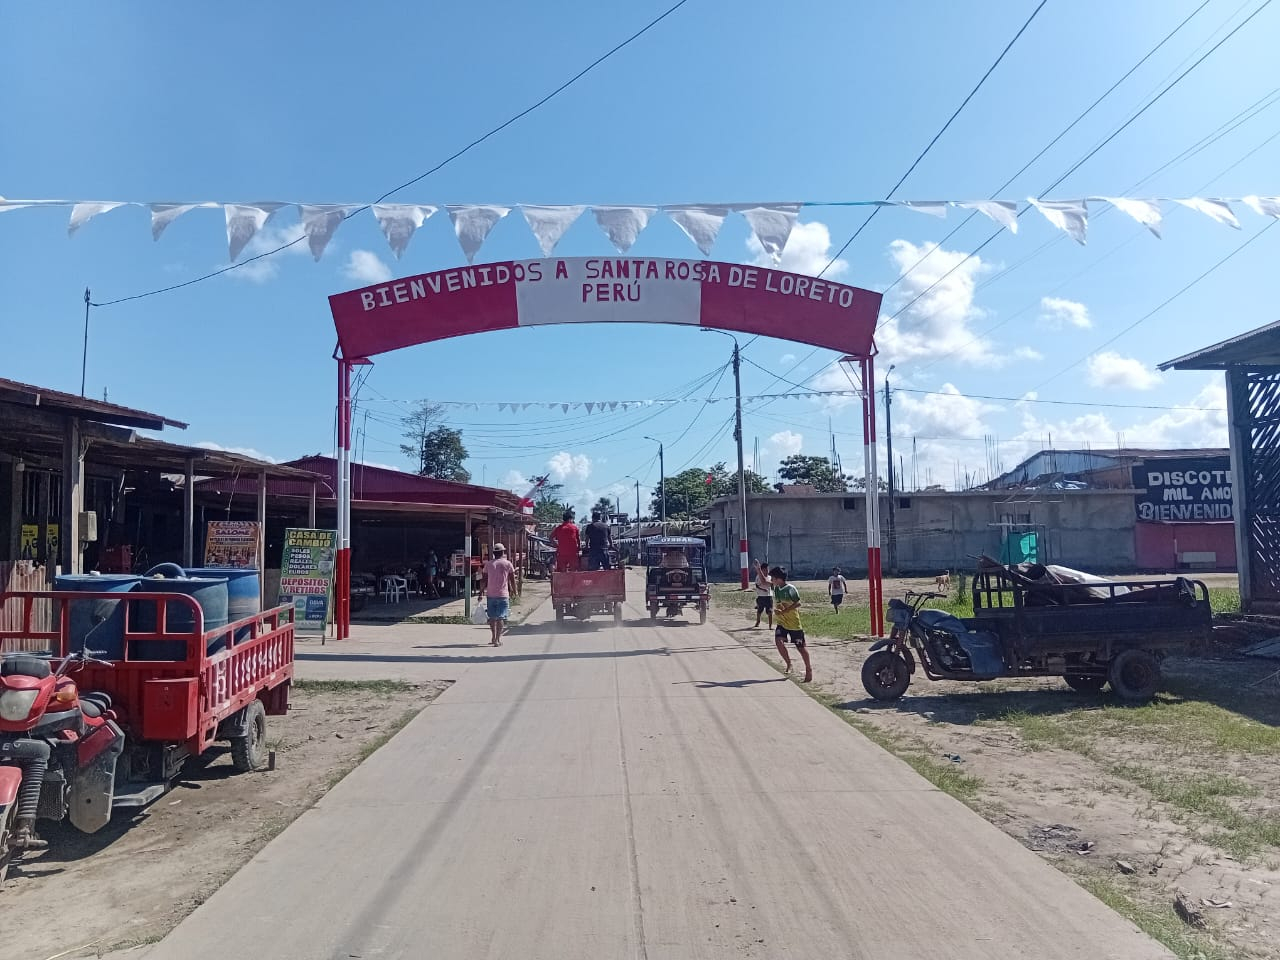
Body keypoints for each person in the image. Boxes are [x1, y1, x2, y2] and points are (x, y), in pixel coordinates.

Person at [771, 566, 812, 683]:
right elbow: (765, 581)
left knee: (801, 648)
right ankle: (789, 663)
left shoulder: (791, 589)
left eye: (773, 578)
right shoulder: (776, 589)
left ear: (779, 578)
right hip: (782, 622)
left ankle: (808, 669)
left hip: (794, 624)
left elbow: (798, 603)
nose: (771, 580)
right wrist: (758, 569)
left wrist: (784, 611)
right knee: (778, 641)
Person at [478, 543, 517, 646]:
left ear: (494, 553)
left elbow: (484, 580)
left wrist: (481, 593)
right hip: (503, 595)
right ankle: (497, 639)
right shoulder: (508, 564)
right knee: (500, 617)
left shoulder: (488, 564)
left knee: (492, 617)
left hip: (491, 595)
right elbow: (512, 580)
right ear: (503, 552)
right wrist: (515, 592)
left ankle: (493, 637)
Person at [753, 559, 774, 629]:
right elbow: (757, 585)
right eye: (764, 570)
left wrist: (773, 590)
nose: (766, 571)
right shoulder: (758, 577)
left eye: (767, 569)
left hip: (769, 597)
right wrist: (763, 589)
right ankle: (758, 621)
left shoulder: (770, 577)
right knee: (759, 610)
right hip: (761, 596)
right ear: (761, 570)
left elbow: (772, 585)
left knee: (770, 611)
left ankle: (770, 625)